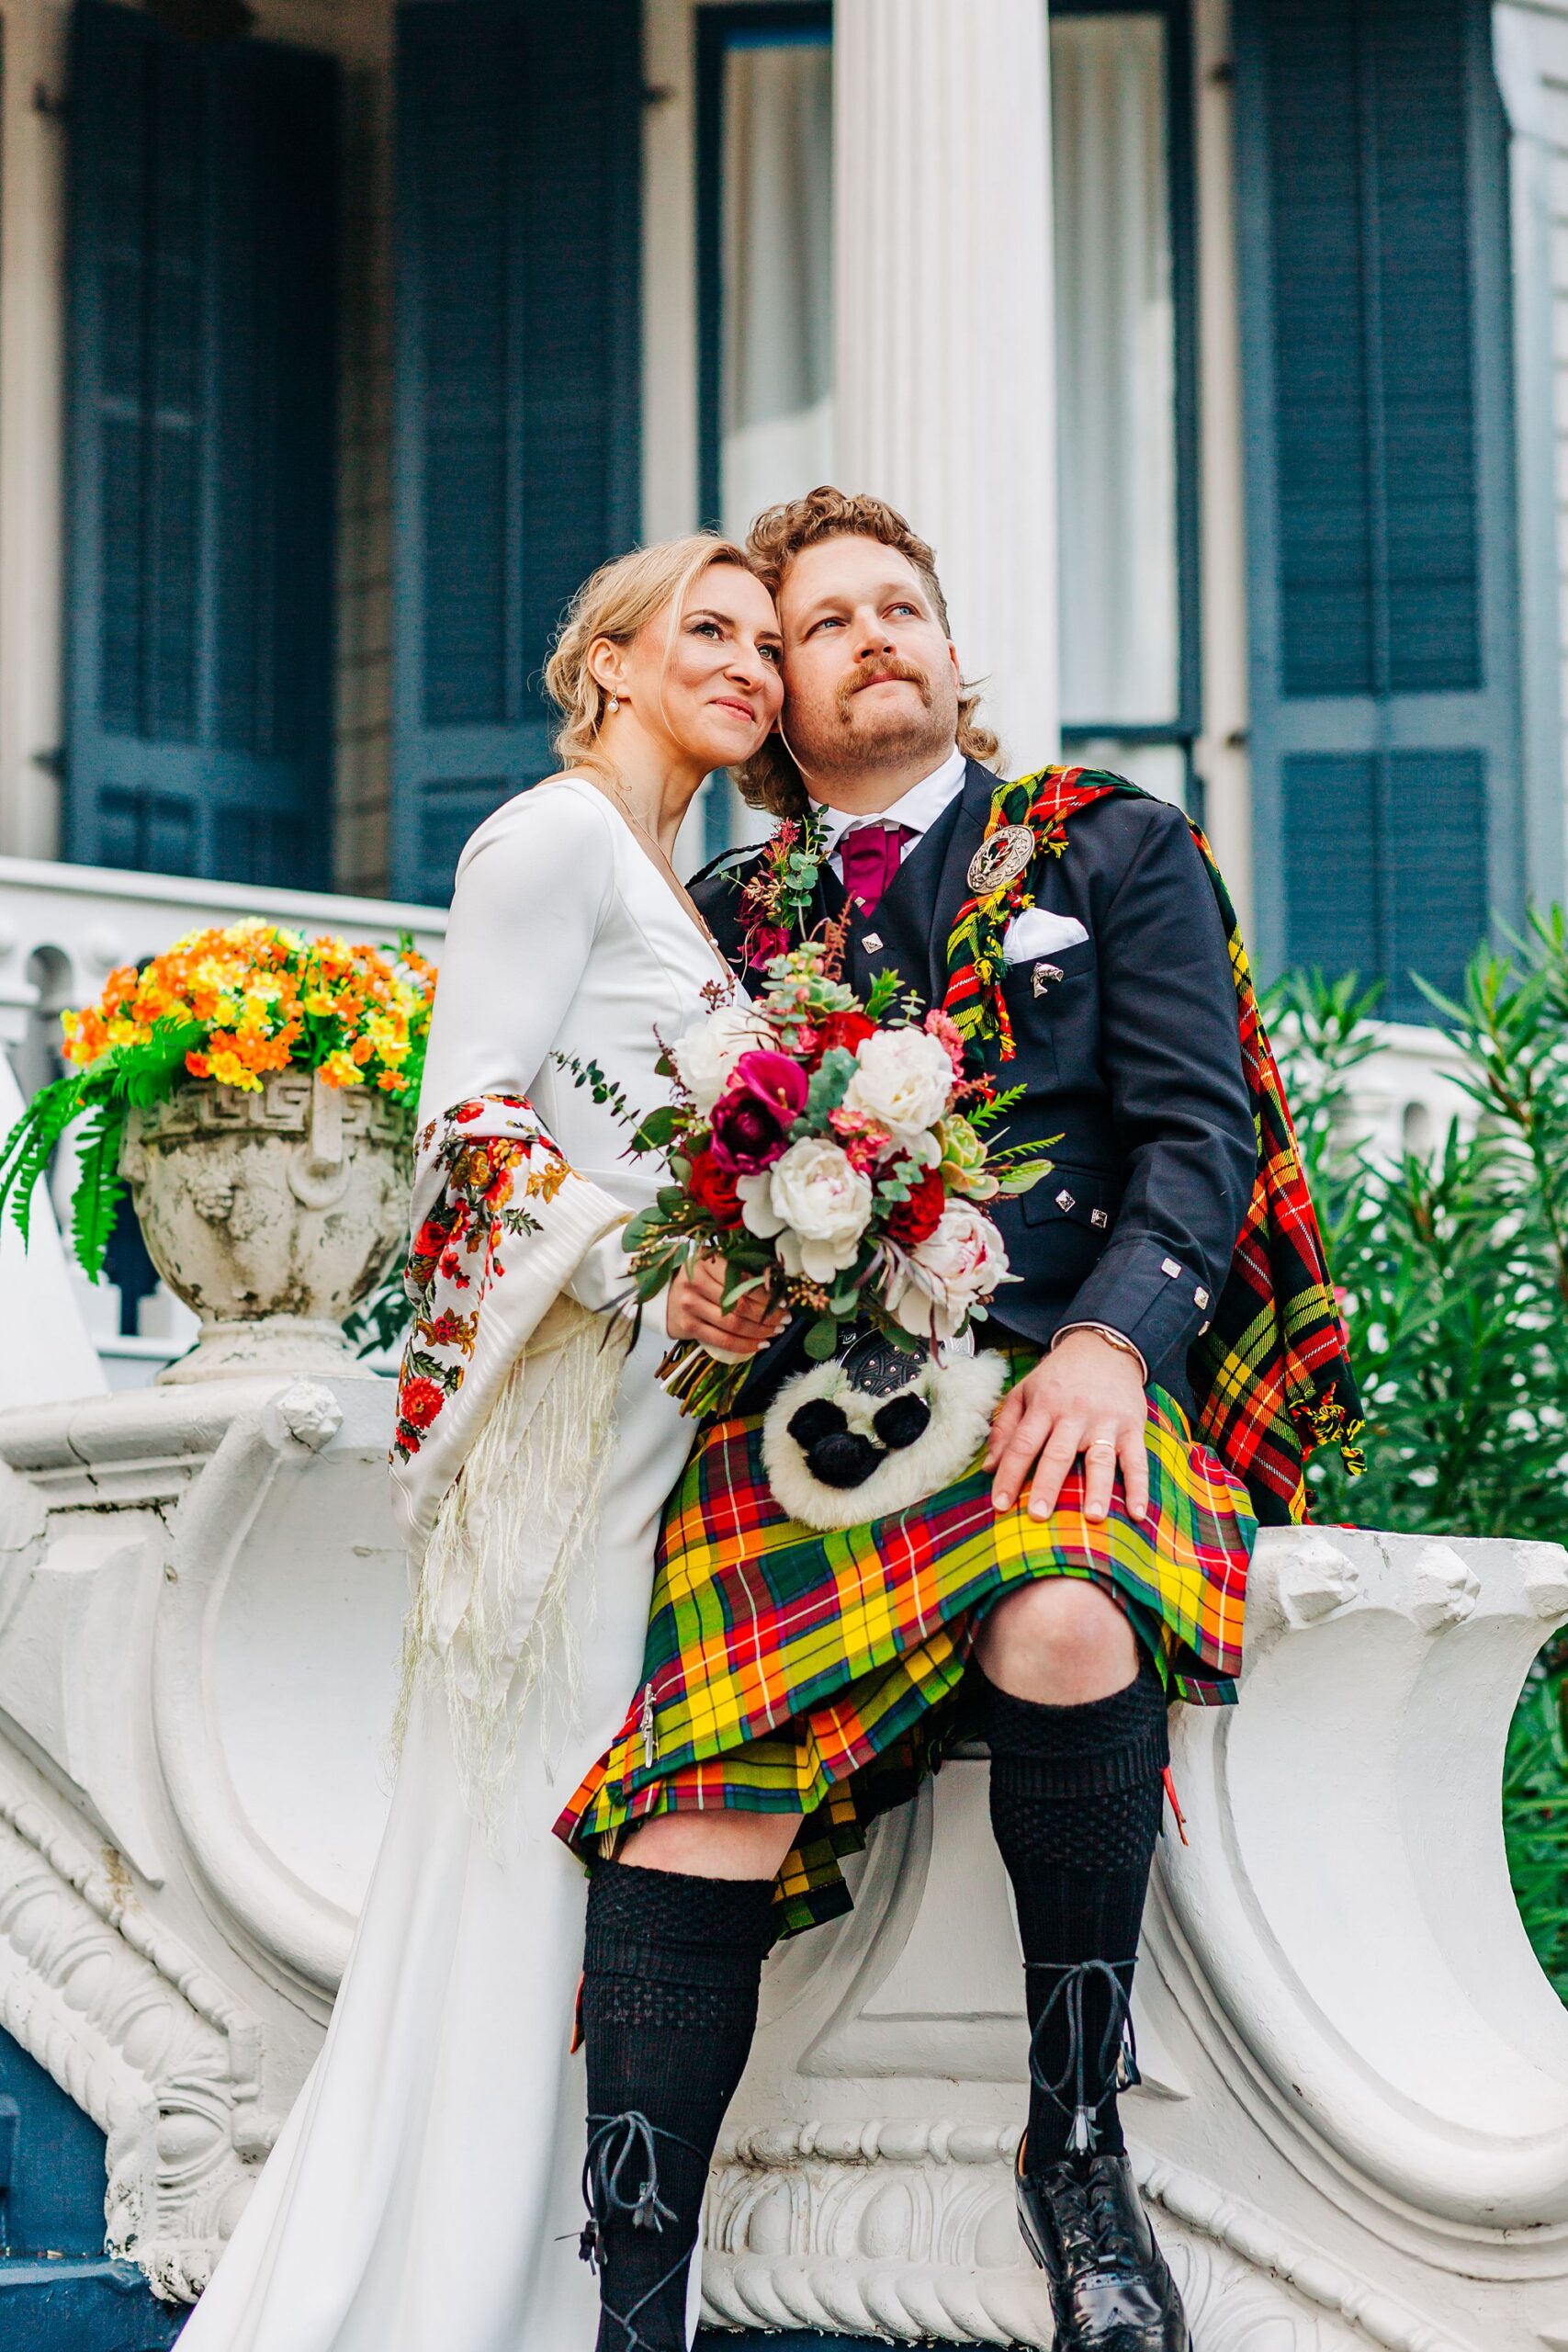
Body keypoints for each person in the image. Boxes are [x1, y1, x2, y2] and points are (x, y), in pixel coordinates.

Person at [558, 490, 1362, 2352]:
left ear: (944, 644)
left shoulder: (1102, 848)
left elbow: (1196, 1136)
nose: (864, 638)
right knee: (687, 1796)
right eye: (815, 625)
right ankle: (636, 2290)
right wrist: (701, 1277)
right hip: (805, 1426)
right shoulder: (721, 918)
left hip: (1048, 1375)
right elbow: (665, 1174)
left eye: (892, 606)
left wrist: (1111, 1343)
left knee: (1066, 1610)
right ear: (774, 702)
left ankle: (1073, 2146)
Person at [175, 535, 788, 2352]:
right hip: (567, 1434)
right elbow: (468, 1130)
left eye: (766, 640)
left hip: (656, 1440)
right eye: (710, 628)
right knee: (516, 1866)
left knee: (569, 1880)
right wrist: (647, 1277)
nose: (750, 663)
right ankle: (436, 2300)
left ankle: (534, 2281)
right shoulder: (547, 840)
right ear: (606, 659)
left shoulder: (679, 892)